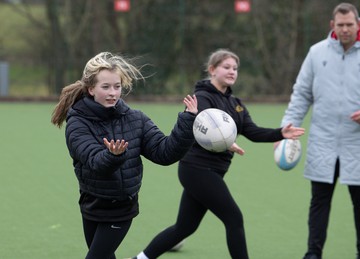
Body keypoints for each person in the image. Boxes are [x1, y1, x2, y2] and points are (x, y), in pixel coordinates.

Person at [131, 49, 305, 259]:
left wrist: (281, 133)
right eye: (226, 67)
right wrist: (226, 143)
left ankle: (140, 258)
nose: (232, 71)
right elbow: (200, 128)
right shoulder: (202, 98)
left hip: (213, 171)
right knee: (234, 218)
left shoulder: (236, 104)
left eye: (235, 68)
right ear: (212, 70)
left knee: (184, 227)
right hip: (196, 168)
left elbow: (251, 131)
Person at [279, 3, 360, 259]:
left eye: (350, 25)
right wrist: (287, 125)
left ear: (359, 24)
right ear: (332, 26)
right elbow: (301, 92)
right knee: (319, 201)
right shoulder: (316, 52)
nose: (345, 29)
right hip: (323, 140)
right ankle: (313, 253)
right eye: (340, 25)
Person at [50, 52, 198, 259]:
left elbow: (164, 153)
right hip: (91, 203)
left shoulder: (135, 118)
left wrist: (187, 121)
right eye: (106, 87)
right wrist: (113, 155)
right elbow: (95, 161)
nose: (113, 93)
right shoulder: (78, 123)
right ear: (91, 89)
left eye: (117, 86)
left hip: (120, 206)